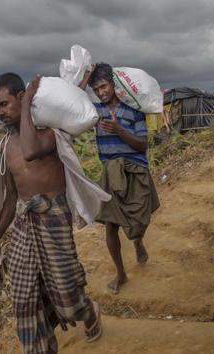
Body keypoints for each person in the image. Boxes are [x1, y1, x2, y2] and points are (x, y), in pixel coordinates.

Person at [0, 72, 104, 353]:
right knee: (26, 299)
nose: (0, 112)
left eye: (4, 104)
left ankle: (89, 312)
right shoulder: (6, 145)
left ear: (20, 96)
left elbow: (31, 151)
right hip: (24, 225)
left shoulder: (52, 133)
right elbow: (11, 197)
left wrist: (27, 105)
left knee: (67, 298)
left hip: (53, 219)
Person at [80, 63, 160, 294]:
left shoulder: (133, 110)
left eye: (104, 86)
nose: (101, 92)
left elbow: (142, 145)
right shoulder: (95, 112)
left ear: (114, 84)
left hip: (135, 171)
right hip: (110, 174)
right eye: (96, 89)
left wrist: (119, 130)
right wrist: (86, 75)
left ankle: (137, 241)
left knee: (139, 220)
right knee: (111, 225)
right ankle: (121, 274)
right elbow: (76, 101)